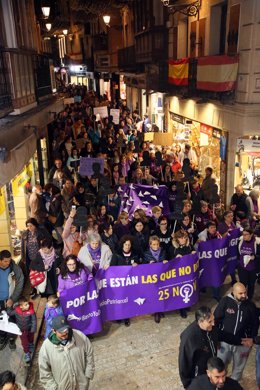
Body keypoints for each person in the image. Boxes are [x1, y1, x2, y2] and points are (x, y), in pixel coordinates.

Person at [178, 306, 245, 389]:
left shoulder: (211, 328)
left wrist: (240, 340)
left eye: (213, 320)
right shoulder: (189, 338)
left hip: (211, 368)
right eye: (210, 322)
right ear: (200, 322)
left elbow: (222, 335)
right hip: (199, 375)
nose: (213, 324)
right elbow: (184, 362)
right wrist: (188, 385)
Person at [214, 282, 259, 381]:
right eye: (240, 293)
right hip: (224, 342)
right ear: (233, 292)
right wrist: (217, 337)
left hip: (243, 343)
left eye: (245, 292)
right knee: (221, 365)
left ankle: (235, 384)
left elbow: (255, 324)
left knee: (238, 368)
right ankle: (220, 383)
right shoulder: (225, 302)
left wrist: (252, 338)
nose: (244, 295)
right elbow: (216, 320)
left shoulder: (250, 306)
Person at [39, 316, 94, 389]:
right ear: (54, 331)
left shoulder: (80, 336)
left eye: (66, 330)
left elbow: (89, 353)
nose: (65, 333)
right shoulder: (46, 347)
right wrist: (53, 388)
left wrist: (88, 374)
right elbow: (44, 371)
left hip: (82, 386)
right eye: (61, 332)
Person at [0, 250, 24, 351]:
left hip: (10, 299)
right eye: (5, 261)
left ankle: (11, 338)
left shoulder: (14, 268)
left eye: (9, 260)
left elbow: (20, 281)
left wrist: (13, 298)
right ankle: (2, 336)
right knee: (1, 319)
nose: (8, 263)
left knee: (11, 319)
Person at [10, 296, 36, 364]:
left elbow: (34, 320)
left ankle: (31, 345)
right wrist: (9, 307)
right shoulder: (16, 310)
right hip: (22, 330)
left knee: (30, 338)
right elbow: (9, 313)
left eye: (27, 304)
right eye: (26, 305)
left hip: (30, 329)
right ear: (21, 306)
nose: (28, 305)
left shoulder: (31, 311)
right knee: (24, 342)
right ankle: (27, 353)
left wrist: (33, 329)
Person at [237, 227, 260, 300]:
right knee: (242, 284)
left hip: (252, 269)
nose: (244, 236)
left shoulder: (257, 242)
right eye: (243, 234)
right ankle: (241, 298)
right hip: (242, 267)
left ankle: (249, 299)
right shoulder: (240, 240)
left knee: (251, 285)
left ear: (251, 234)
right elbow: (238, 252)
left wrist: (255, 257)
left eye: (246, 235)